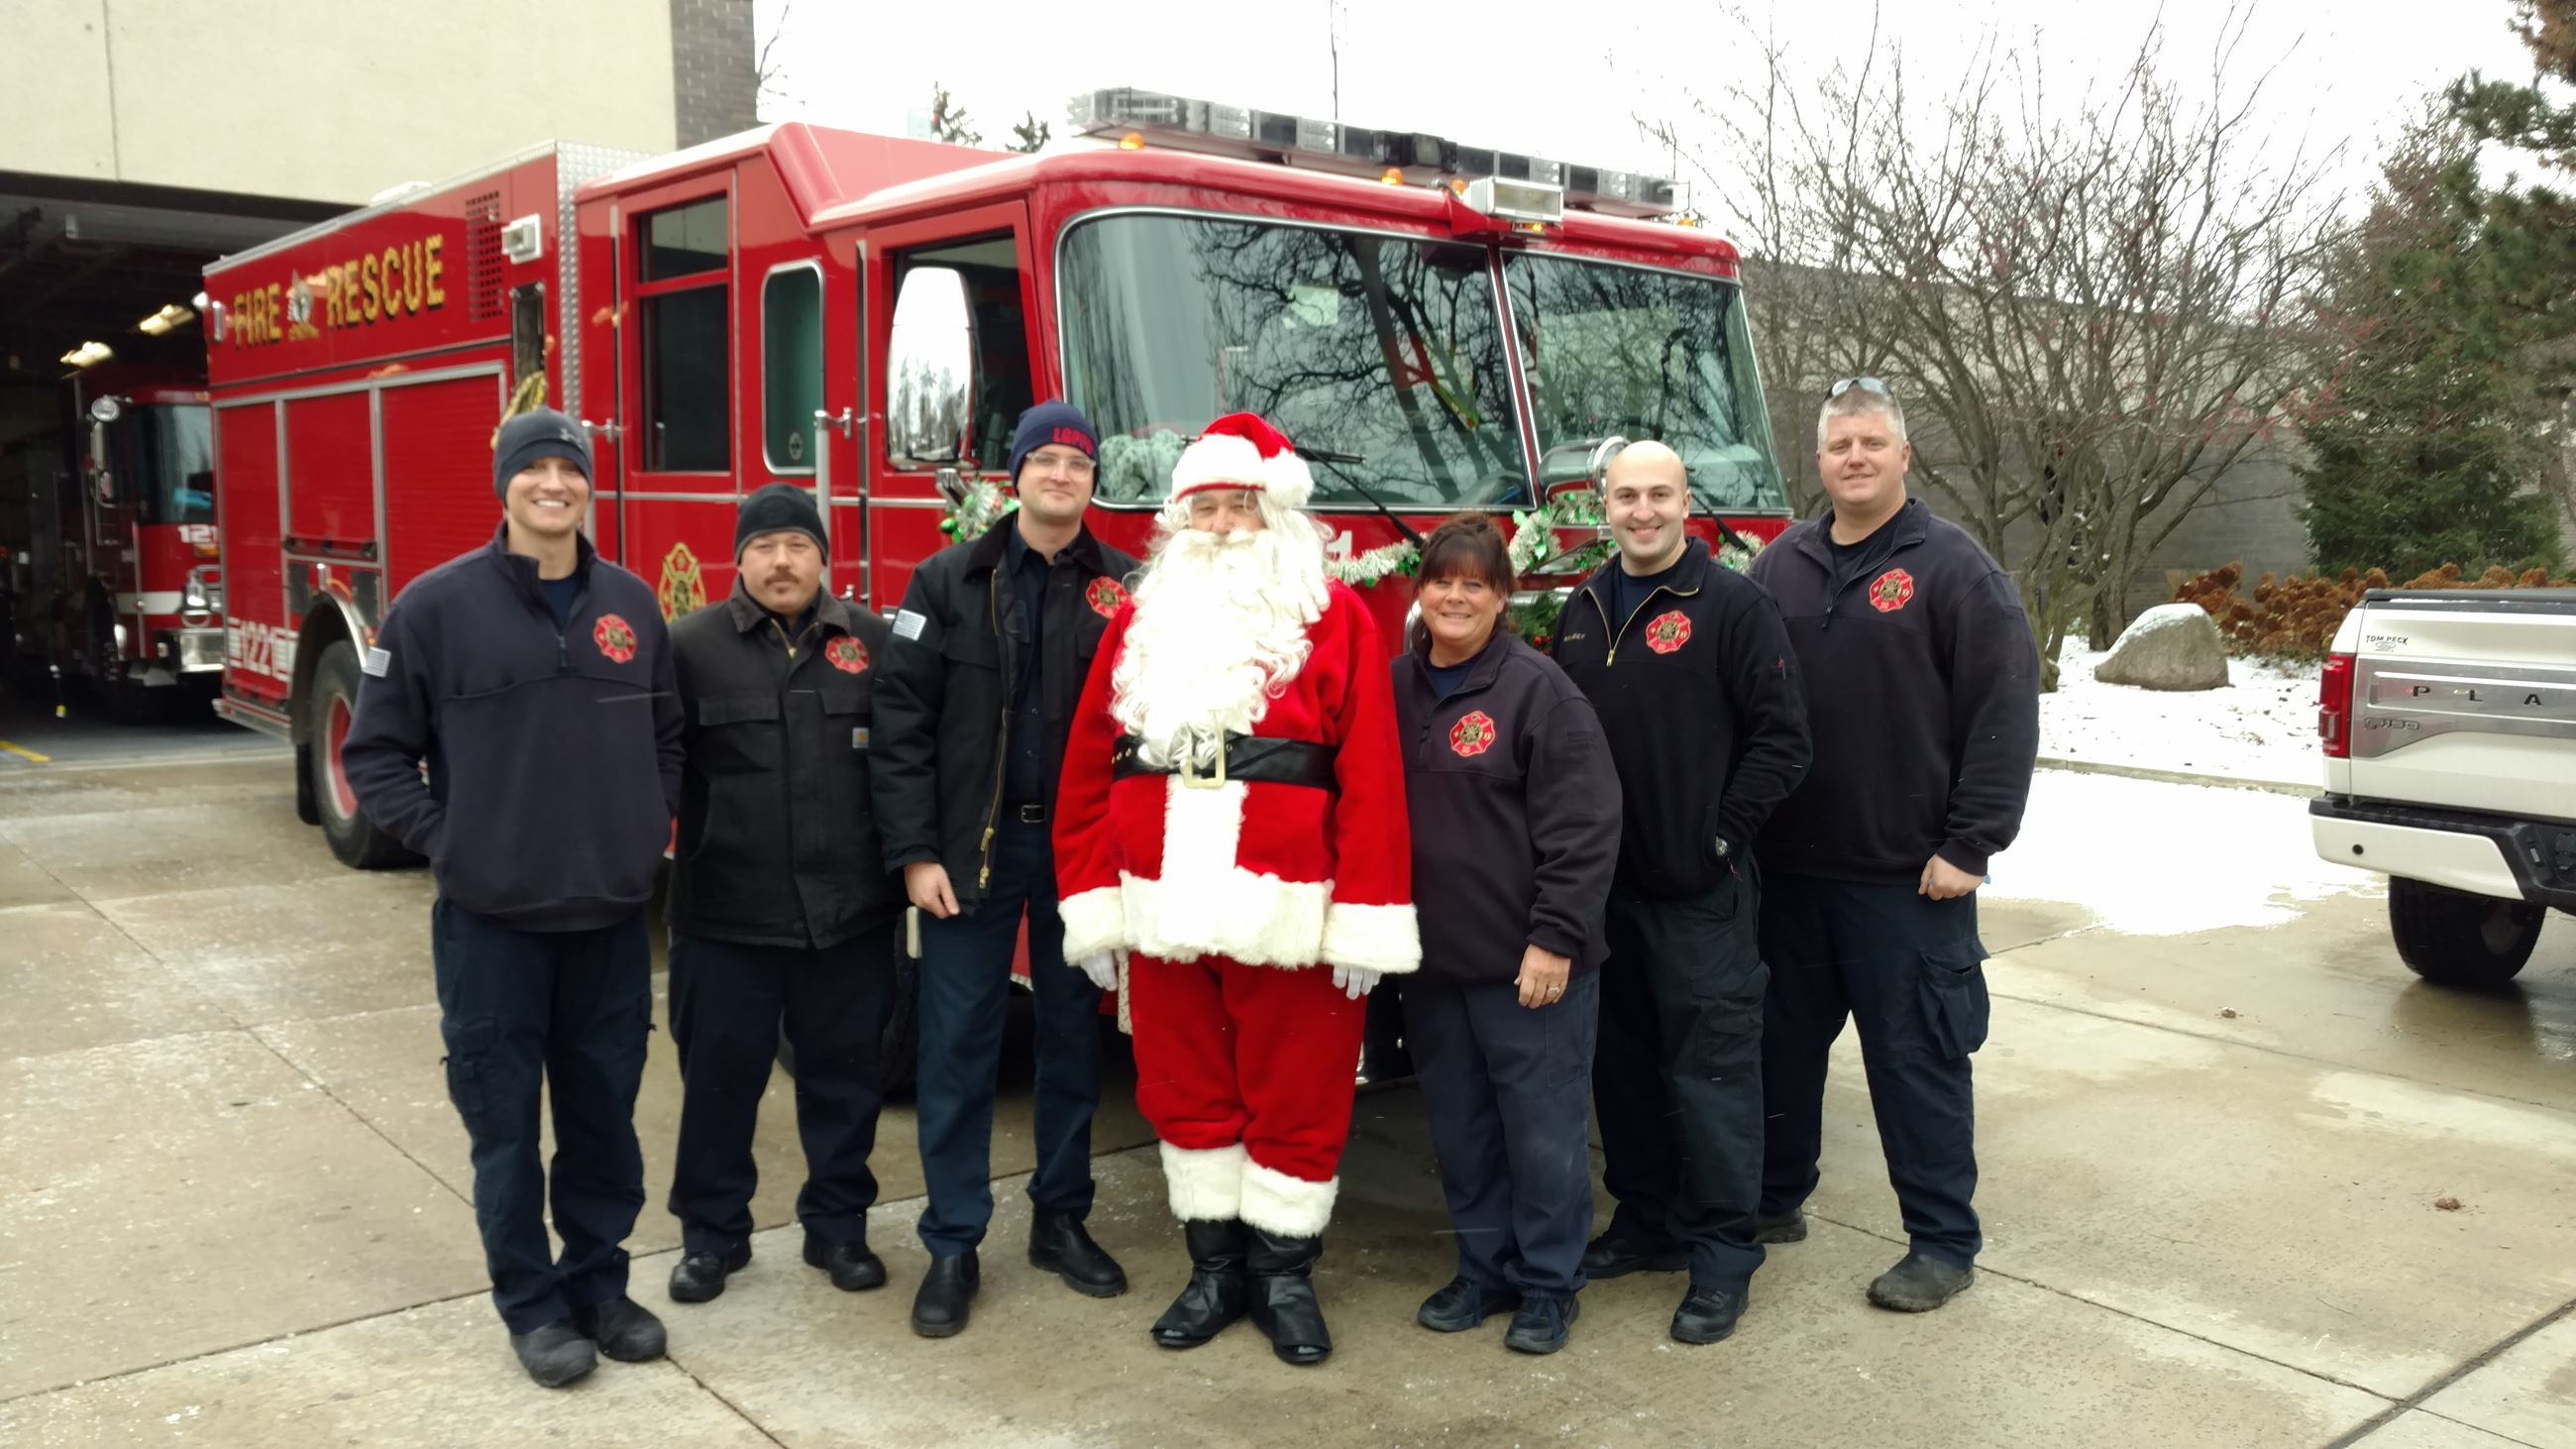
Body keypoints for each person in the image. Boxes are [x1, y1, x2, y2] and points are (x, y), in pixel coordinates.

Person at [1052, 411, 1420, 1368]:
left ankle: (1285, 1277)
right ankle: (1214, 1270)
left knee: (1298, 1093)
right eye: (1204, 507)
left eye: (1239, 506)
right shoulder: (1138, 621)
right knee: (1184, 1087)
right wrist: (1093, 902)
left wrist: (1366, 915)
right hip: (1161, 903)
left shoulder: (1334, 617)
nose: (1219, 526)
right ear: (1179, 520)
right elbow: (1088, 769)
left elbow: (1373, 776)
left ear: (1277, 514)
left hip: (1289, 905)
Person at [342, 408, 680, 1388]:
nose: (553, 485)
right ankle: (532, 1309)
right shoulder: (433, 609)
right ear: (505, 486)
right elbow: (374, 754)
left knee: (604, 1122)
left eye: (569, 470)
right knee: (505, 1135)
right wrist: (454, 841)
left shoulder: (632, 605)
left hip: (608, 920)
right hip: (491, 928)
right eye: (533, 470)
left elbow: (668, 736)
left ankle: (599, 1287)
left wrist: (645, 823)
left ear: (587, 486)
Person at [1748, 378, 2038, 1312]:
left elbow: (2002, 715)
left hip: (1908, 883)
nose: (1856, 458)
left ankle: (1943, 1243)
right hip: (1791, 877)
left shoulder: (1955, 571)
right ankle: (1773, 1200)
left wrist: (1972, 844)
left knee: (1916, 1064)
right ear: (1819, 461)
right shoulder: (1779, 567)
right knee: (1778, 1054)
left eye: (1873, 442)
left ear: (1904, 456)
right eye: (1840, 445)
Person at [873, 400, 1139, 1338]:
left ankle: (1060, 1221)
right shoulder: (946, 581)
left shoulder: (1125, 589)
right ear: (1014, 474)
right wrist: (915, 854)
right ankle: (953, 1243)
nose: (1062, 474)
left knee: (1073, 1043)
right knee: (956, 1049)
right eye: (1045, 459)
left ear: (1093, 481)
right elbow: (899, 725)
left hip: (1081, 858)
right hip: (971, 856)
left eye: (1078, 462)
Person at [1551, 440, 1810, 1347]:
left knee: (1713, 1076)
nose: (1643, 511)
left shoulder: (1733, 606)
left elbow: (1784, 741)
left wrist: (1720, 835)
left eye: (1659, 494)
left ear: (1685, 502)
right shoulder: (1581, 610)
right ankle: (1648, 1220)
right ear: (1605, 506)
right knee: (1621, 1070)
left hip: (1700, 893)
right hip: (1603, 895)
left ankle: (1724, 1252)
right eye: (1627, 496)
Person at [662, 485, 901, 1306]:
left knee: (846, 1086)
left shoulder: (871, 643)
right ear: (740, 559)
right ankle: (712, 1237)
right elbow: (653, 768)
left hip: (849, 917)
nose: (782, 561)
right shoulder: (687, 648)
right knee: (718, 1087)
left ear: (823, 558)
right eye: (763, 547)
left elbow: (904, 763)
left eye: (798, 545)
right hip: (725, 916)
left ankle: (838, 1229)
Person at [1391, 513, 1620, 1357]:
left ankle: (1549, 1284)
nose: (1455, 597)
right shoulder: (1393, 688)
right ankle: (1484, 1271)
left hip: (1529, 965)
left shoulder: (1539, 692)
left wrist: (1555, 938)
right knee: (1462, 1130)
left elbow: (1586, 827)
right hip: (1433, 964)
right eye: (1441, 581)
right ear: (1420, 591)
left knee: (1543, 1135)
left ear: (1501, 597)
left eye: (1474, 584)